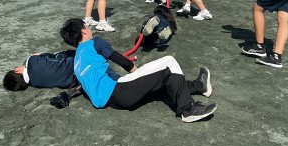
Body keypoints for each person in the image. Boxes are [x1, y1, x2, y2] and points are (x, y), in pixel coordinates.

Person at [60, 18, 217, 123]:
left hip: (112, 101)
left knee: (161, 83)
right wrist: (138, 73)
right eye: (87, 26)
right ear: (84, 31)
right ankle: (187, 109)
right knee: (168, 63)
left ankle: (199, 86)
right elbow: (121, 61)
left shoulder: (77, 60)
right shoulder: (95, 42)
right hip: (119, 90)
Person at [3, 50, 76, 91]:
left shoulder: (35, 84)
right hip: (76, 61)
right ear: (16, 70)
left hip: (74, 81)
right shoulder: (31, 60)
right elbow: (49, 55)